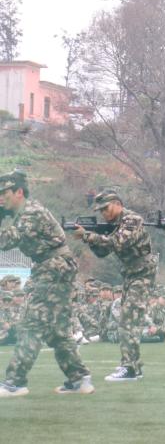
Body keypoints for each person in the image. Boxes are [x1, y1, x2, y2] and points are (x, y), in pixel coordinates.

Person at [0, 170, 94, 397]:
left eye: (4, 193)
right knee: (56, 330)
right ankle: (79, 379)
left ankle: (14, 382)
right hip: (53, 266)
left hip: (53, 267)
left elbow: (7, 241)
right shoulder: (25, 212)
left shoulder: (30, 212)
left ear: (19, 192)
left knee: (31, 323)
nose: (1, 198)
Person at [73, 189, 157, 382]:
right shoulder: (116, 224)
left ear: (118, 204)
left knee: (128, 319)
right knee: (128, 319)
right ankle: (133, 365)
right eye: (101, 210)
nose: (103, 213)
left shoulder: (131, 220)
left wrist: (88, 236)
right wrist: (92, 238)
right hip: (131, 274)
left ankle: (129, 368)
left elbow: (118, 243)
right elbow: (102, 253)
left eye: (106, 208)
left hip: (142, 273)